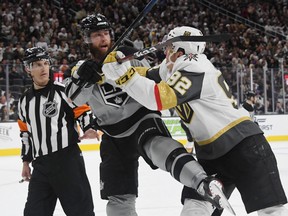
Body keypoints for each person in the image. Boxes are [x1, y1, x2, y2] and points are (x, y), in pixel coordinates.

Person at [102, 26, 288, 216]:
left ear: (179, 50)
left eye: (168, 47)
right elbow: (146, 75)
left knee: (270, 210)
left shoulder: (194, 66)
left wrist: (124, 76)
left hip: (243, 146)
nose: (165, 52)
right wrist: (115, 69)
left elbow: (157, 99)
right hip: (213, 153)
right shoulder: (173, 67)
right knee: (195, 204)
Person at [65, 14, 232, 216]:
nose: (103, 39)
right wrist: (81, 77)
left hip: (143, 119)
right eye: (97, 35)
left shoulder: (127, 57)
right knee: (118, 197)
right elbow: (75, 99)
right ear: (86, 39)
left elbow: (155, 78)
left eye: (106, 33)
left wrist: (135, 59)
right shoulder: (80, 69)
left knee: (155, 145)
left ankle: (203, 183)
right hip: (113, 136)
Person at [18, 47, 97, 216]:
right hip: (41, 166)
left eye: (46, 63)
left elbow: (82, 111)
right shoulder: (24, 100)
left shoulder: (62, 91)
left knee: (81, 213)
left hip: (68, 161)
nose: (43, 68)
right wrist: (26, 161)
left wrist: (89, 128)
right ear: (28, 69)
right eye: (38, 64)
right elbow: (25, 133)